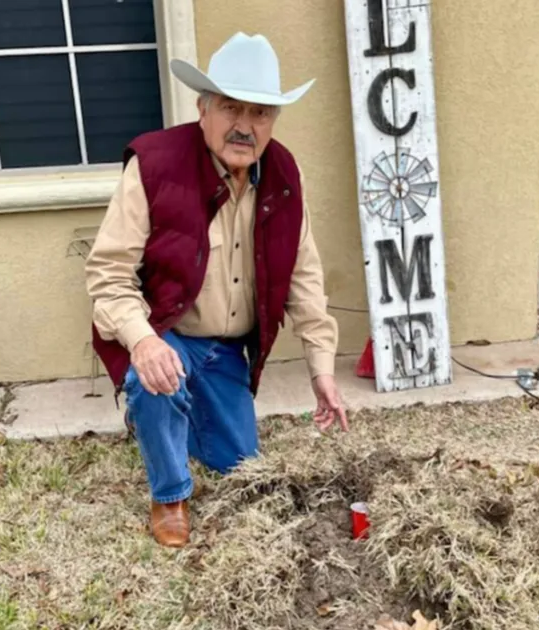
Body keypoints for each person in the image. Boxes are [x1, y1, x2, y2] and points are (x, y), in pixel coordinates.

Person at [84, 32, 348, 549]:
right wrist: (142, 340)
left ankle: (173, 417)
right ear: (203, 108)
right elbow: (108, 273)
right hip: (170, 332)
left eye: (261, 113)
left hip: (227, 349)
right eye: (231, 108)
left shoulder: (285, 174)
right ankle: (170, 492)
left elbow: (304, 276)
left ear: (273, 121)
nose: (245, 127)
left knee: (241, 469)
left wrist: (322, 370)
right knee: (153, 378)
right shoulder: (155, 164)